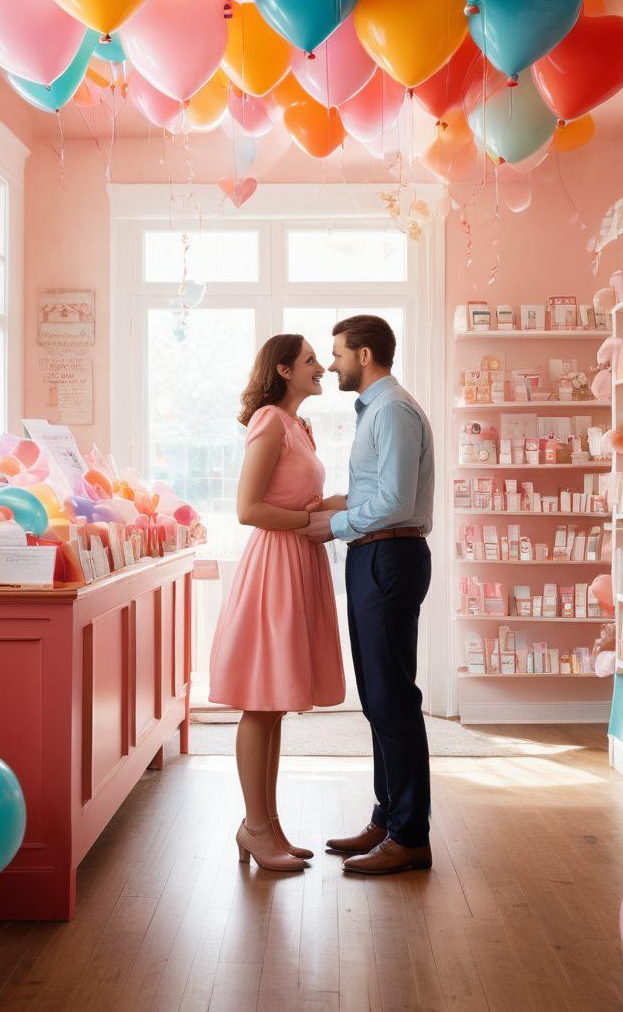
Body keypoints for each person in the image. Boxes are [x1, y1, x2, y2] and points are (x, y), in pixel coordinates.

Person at [300, 315, 435, 876]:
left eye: (337, 354)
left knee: (392, 698)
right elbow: (379, 491)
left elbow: (398, 502)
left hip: (390, 556)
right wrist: (338, 504)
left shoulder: (392, 410)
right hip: (375, 555)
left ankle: (410, 836)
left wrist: (333, 525)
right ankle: (387, 819)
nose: (331, 365)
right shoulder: (376, 411)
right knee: (378, 698)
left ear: (365, 354)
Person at [208, 334, 345, 872]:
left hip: (298, 561)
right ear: (284, 370)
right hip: (275, 565)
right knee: (261, 702)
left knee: (276, 703)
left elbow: (287, 496)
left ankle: (267, 824)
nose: (322, 367)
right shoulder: (269, 421)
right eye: (311, 360)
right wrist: (315, 518)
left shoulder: (299, 426)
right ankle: (255, 827)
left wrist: (325, 505)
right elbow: (248, 509)